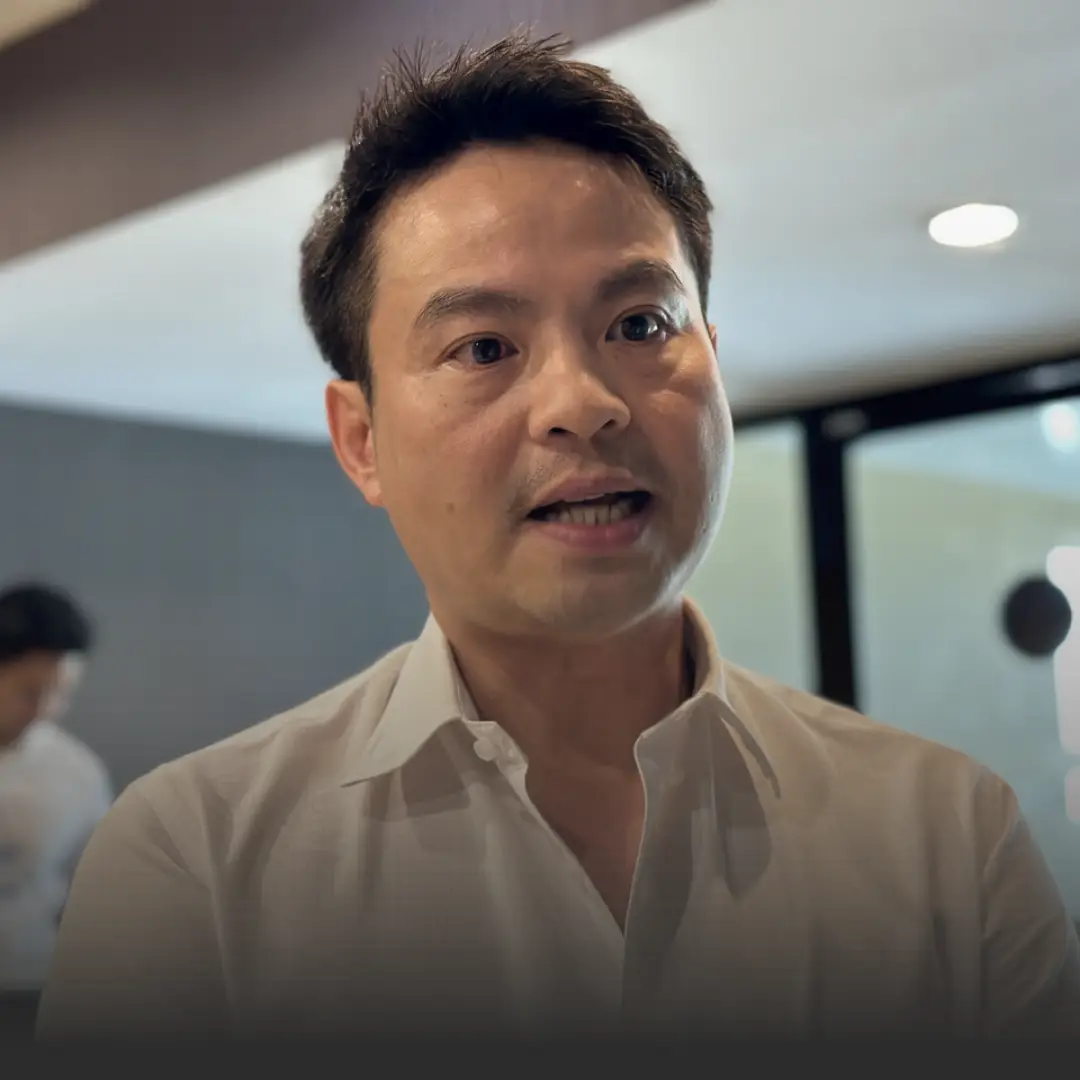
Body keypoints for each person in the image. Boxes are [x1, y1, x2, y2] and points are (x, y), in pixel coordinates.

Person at [38, 35, 1080, 1041]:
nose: (582, 404)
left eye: (640, 324)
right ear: (362, 441)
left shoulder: (946, 837)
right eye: (484, 346)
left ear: (713, 363)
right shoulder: (200, 865)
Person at [0, 583, 112, 997]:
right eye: (29, 691)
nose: (45, 709)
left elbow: (92, 896)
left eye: (61, 692)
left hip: (27, 983)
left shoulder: (77, 772)